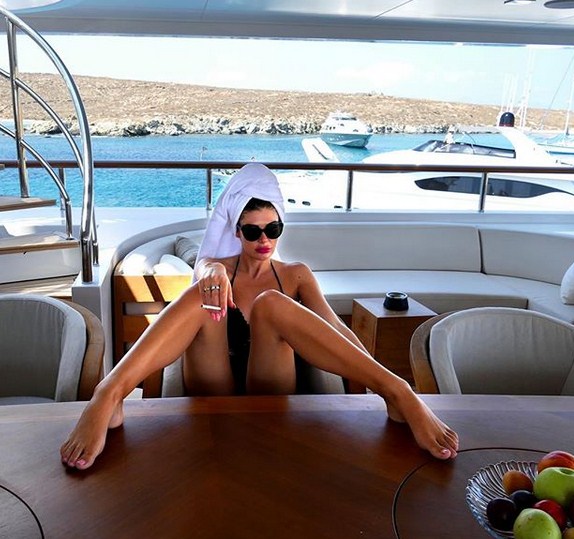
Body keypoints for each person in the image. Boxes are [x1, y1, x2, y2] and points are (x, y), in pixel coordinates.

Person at [60, 163, 458, 470]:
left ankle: (398, 391)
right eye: (252, 232)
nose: (264, 240)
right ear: (236, 232)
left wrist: (369, 379)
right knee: (203, 294)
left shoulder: (296, 275)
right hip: (214, 385)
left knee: (271, 303)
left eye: (273, 228)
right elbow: (204, 268)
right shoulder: (215, 268)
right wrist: (211, 272)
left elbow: (334, 327)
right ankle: (109, 393)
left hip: (271, 385)